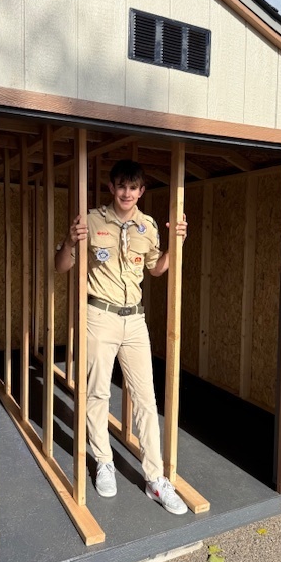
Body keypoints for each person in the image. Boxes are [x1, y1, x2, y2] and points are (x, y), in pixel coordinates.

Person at [55, 159, 188, 515]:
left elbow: (156, 270)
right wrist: (69, 241)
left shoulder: (147, 226)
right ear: (112, 188)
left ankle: (155, 479)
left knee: (146, 398)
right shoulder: (91, 220)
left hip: (135, 321)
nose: (127, 193)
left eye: (134, 187)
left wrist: (176, 244)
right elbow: (61, 266)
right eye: (121, 186)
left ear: (141, 191)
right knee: (97, 391)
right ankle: (104, 461)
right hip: (99, 316)